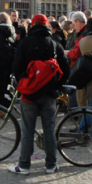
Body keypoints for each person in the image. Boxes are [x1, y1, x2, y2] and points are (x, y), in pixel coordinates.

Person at [9, 14, 69, 175]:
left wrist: (25, 81)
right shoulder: (55, 45)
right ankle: (51, 165)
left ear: (32, 25)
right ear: (46, 26)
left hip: (29, 94)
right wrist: (55, 85)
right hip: (49, 94)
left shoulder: (24, 43)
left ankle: (24, 165)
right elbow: (65, 68)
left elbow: (16, 67)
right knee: (49, 129)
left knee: (27, 129)